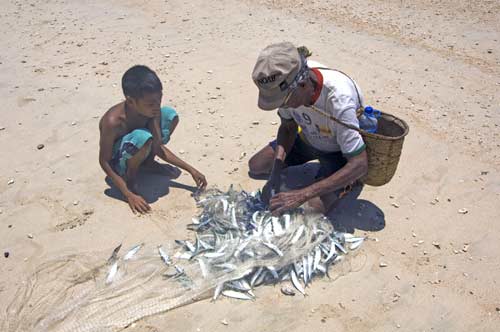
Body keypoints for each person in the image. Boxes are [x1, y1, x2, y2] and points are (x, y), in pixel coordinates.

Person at [248, 42, 368, 215]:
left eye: (283, 101)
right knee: (257, 165)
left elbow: (360, 163)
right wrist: (275, 172)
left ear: (303, 84)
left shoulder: (339, 99)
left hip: (337, 150)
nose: (282, 106)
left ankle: (349, 182)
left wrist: (301, 195)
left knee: (312, 208)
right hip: (308, 137)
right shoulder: (287, 80)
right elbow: (288, 127)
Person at [99, 65, 207, 214]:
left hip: (142, 144)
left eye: (159, 100)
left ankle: (148, 163)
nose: (156, 106)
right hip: (120, 162)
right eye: (150, 104)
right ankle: (130, 177)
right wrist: (128, 194)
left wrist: (191, 169)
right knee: (142, 137)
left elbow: (157, 146)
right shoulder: (113, 122)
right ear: (130, 102)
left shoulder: (151, 110)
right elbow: (104, 162)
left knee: (169, 115)